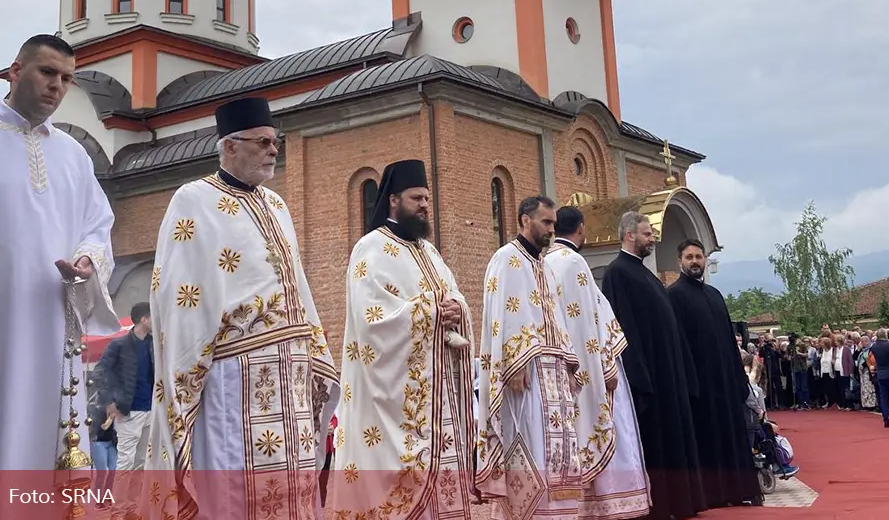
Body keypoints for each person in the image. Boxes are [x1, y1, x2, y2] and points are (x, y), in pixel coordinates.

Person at [144, 96, 339, 520]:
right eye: (264, 142)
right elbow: (182, 294)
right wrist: (187, 371)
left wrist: (313, 346)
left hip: (291, 368)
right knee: (241, 485)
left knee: (297, 480)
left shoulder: (278, 205)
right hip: (235, 373)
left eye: (276, 142)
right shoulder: (193, 200)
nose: (274, 150)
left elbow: (298, 286)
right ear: (229, 146)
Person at [0, 34, 120, 470]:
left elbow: (98, 224)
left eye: (66, 79)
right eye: (47, 72)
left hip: (53, 319)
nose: (57, 86)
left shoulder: (74, 155)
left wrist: (88, 259)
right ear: (15, 71)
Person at [331, 159, 475, 519]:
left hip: (438, 394)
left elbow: (453, 295)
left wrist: (457, 307)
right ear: (393, 200)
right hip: (394, 402)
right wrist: (432, 311)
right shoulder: (371, 248)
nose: (425, 205)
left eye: (427, 198)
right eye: (416, 198)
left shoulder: (430, 252)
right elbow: (371, 322)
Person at [476, 196, 584, 519]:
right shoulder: (506, 258)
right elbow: (500, 315)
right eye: (546, 222)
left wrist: (569, 364)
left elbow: (556, 319)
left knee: (559, 454)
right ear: (525, 221)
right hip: (526, 374)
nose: (551, 230)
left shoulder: (544, 266)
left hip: (553, 373)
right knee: (531, 447)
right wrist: (512, 362)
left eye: (553, 223)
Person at [545, 206, 652, 519]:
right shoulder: (574, 261)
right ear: (580, 229)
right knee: (605, 426)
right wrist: (605, 365)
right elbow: (592, 320)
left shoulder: (543, 261)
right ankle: (613, 502)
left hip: (561, 368)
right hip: (590, 366)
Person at [600, 212, 707, 520]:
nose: (652, 238)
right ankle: (661, 505)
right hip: (650, 378)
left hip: (669, 374)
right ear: (629, 235)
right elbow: (622, 329)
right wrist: (638, 377)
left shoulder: (646, 274)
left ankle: (681, 502)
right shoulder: (617, 273)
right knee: (658, 443)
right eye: (647, 233)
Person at [666, 238, 762, 508]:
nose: (695, 261)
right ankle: (712, 494)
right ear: (680, 261)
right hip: (699, 385)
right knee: (706, 439)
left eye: (699, 256)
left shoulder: (715, 295)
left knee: (733, 435)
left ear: (705, 260)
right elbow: (678, 344)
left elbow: (729, 342)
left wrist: (740, 380)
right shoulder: (673, 295)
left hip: (726, 382)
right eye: (689, 257)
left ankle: (737, 489)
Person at [93, 302, 153, 502]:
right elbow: (100, 372)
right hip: (128, 410)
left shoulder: (154, 344)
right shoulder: (119, 344)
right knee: (126, 461)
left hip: (151, 409)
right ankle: (118, 507)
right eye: (153, 317)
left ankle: (134, 504)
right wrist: (109, 402)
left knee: (143, 460)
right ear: (144, 319)